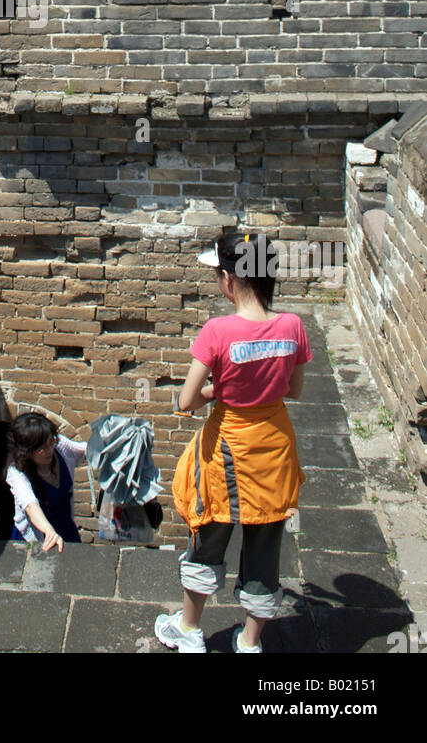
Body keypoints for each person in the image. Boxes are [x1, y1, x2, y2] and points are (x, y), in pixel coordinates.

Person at [155, 232, 312, 655]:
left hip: (228, 447)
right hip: (274, 445)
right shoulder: (293, 327)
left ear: (228, 280)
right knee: (265, 543)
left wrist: (215, 391)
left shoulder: (218, 331)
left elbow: (186, 401)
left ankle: (188, 629)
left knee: (210, 532)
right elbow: (292, 390)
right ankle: (249, 641)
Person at [4, 412, 87, 552]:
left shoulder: (59, 446)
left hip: (65, 527)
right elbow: (30, 504)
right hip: (39, 533)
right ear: (27, 451)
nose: (49, 450)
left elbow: (86, 450)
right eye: (40, 448)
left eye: (50, 442)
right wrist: (49, 531)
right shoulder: (17, 473)